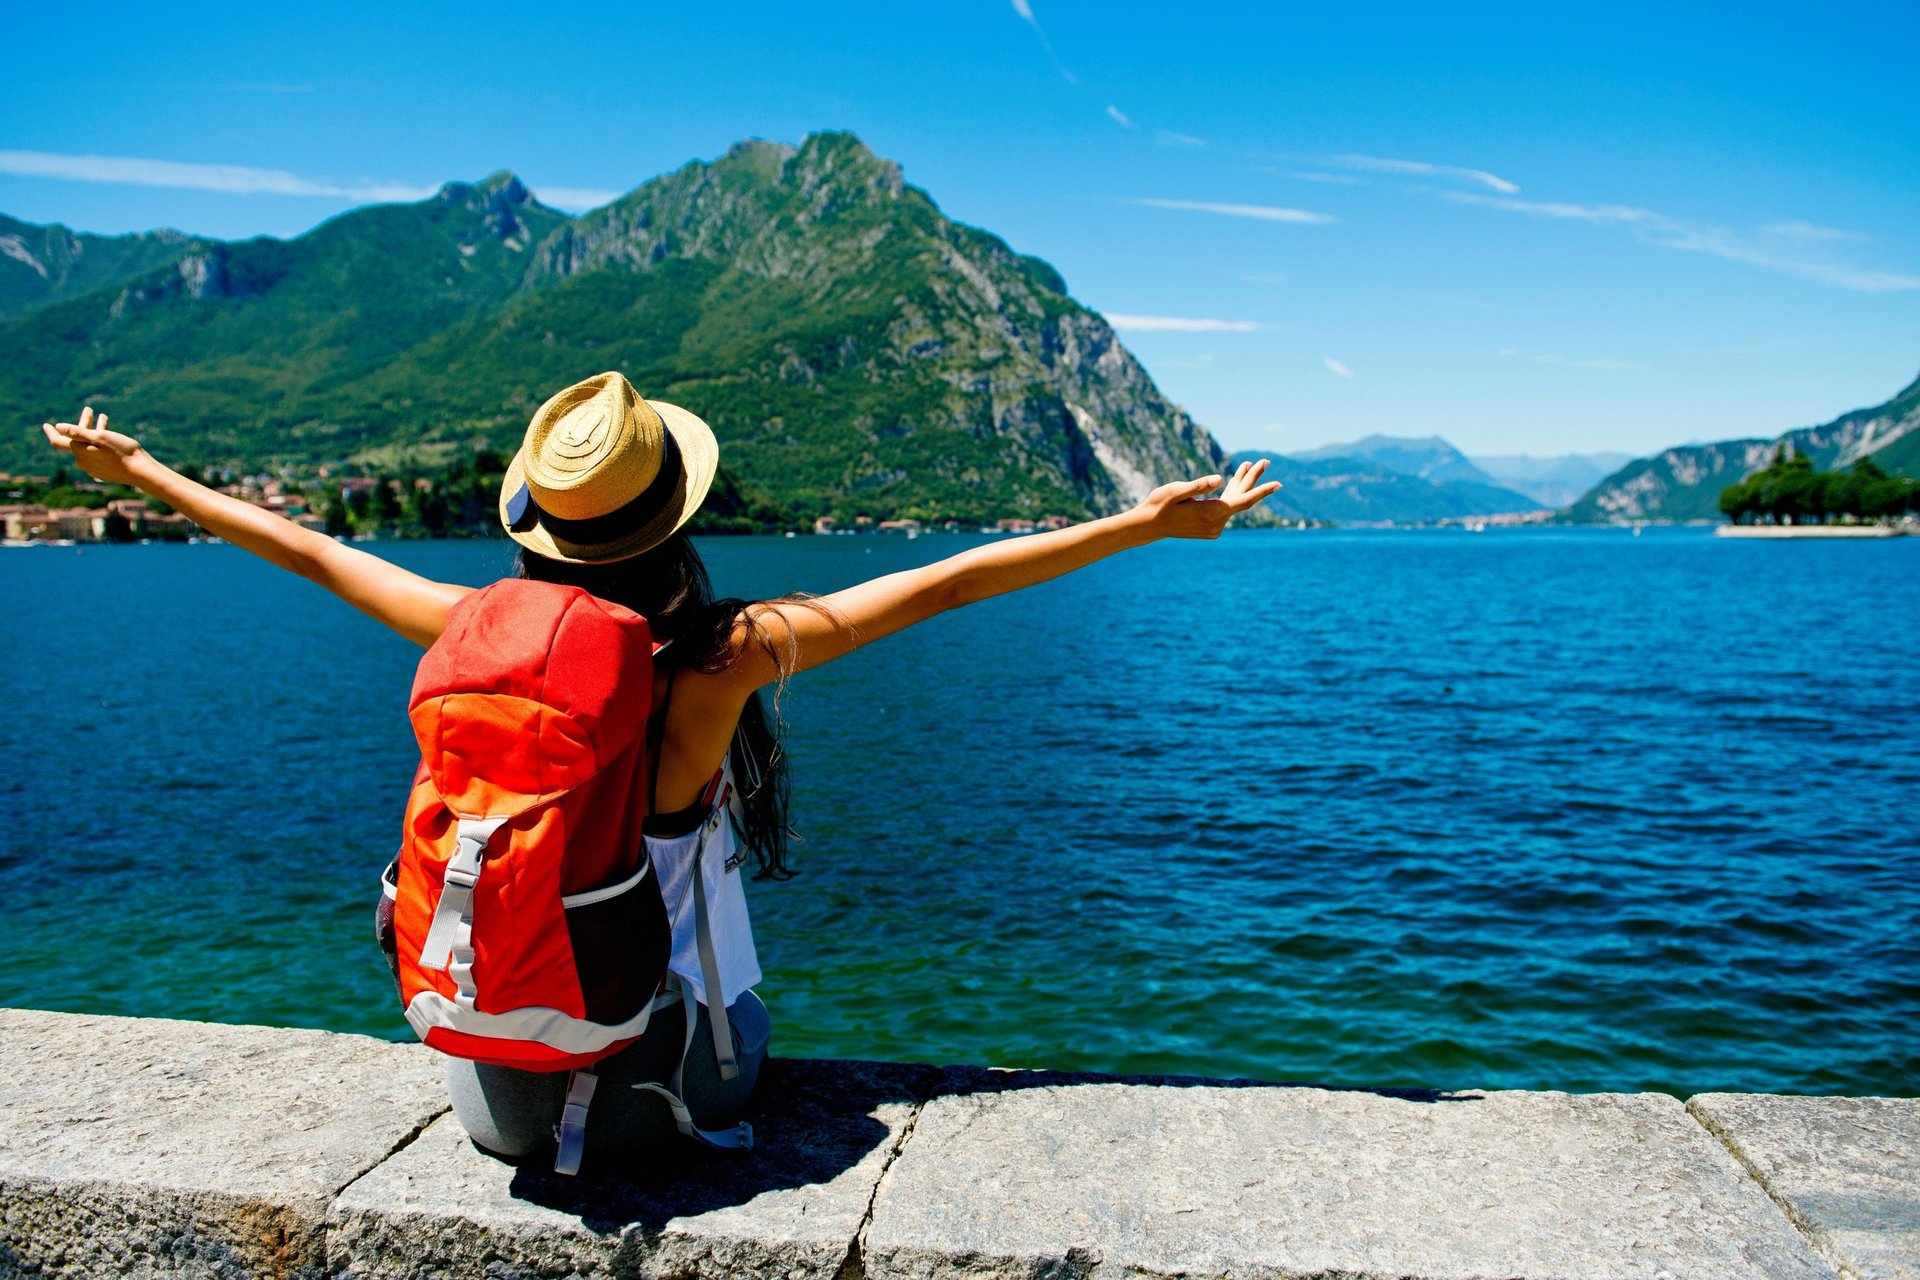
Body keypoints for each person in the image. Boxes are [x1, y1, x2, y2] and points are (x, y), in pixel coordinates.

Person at [41, 372, 1280, 1163]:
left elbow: (308, 552)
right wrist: (1147, 523)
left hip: (493, 1091)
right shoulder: (716, 656)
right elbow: (948, 582)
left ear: (546, 520)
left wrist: (139, 472)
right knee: (745, 1006)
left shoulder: (467, 622)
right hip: (676, 1084)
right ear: (670, 516)